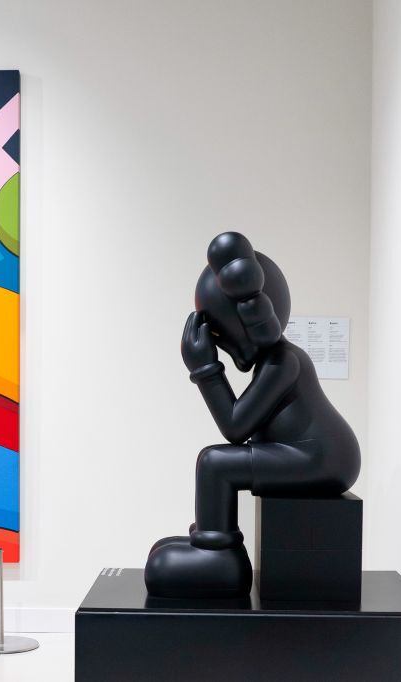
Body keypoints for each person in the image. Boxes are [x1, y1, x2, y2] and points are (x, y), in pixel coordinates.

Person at [144, 232, 360, 598]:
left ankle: (219, 557)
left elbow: (235, 427)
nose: (219, 344)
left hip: (319, 458)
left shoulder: (283, 363)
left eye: (219, 334)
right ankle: (211, 541)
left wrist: (204, 368)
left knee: (215, 462)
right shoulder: (277, 360)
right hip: (313, 453)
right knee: (217, 462)